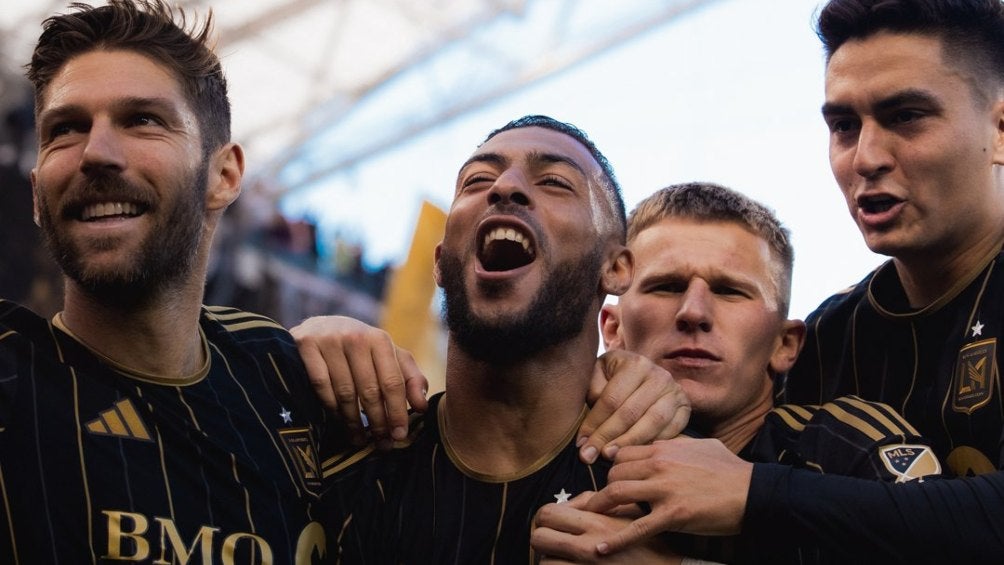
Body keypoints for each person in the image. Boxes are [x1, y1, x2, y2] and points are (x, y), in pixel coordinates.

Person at [572, 1, 1004, 562]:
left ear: (998, 130)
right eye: (844, 126)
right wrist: (623, 376)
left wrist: (759, 495)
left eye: (906, 117)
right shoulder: (829, 339)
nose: (866, 156)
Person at [0, 2, 360, 562]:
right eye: (65, 129)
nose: (96, 152)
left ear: (224, 175)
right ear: (36, 194)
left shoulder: (290, 384)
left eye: (142, 119)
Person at [530, 182, 942, 564]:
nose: (694, 312)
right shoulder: (545, 442)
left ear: (785, 344)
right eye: (666, 286)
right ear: (612, 328)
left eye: (729, 291)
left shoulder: (848, 447)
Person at [311, 114, 655, 564]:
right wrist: (282, 356)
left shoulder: (665, 489)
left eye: (553, 181)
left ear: (616, 268)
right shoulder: (331, 469)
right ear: (440, 260)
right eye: (476, 180)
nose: (504, 187)